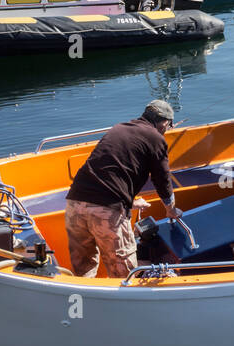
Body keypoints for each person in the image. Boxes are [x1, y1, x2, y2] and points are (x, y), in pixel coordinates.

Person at [64, 99, 181, 278]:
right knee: (124, 274)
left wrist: (131, 202)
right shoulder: (156, 138)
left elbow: (106, 173)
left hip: (74, 204)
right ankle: (126, 305)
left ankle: (85, 301)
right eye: (169, 125)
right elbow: (162, 179)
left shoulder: (119, 128)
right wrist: (171, 210)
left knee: (83, 268)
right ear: (164, 122)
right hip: (107, 212)